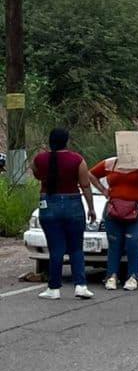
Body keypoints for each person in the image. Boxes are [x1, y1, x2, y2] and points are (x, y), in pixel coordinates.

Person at [32, 128, 97, 300]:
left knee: (56, 248)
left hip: (49, 204)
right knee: (76, 247)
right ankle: (81, 285)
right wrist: (91, 207)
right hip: (73, 203)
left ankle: (53, 288)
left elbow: (38, 175)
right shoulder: (77, 160)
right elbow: (85, 185)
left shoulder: (40, 159)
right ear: (67, 141)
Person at [90, 154, 138, 291]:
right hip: (114, 209)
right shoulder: (110, 163)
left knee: (132, 240)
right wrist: (103, 190)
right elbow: (91, 174)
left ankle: (133, 276)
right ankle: (112, 275)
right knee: (114, 241)